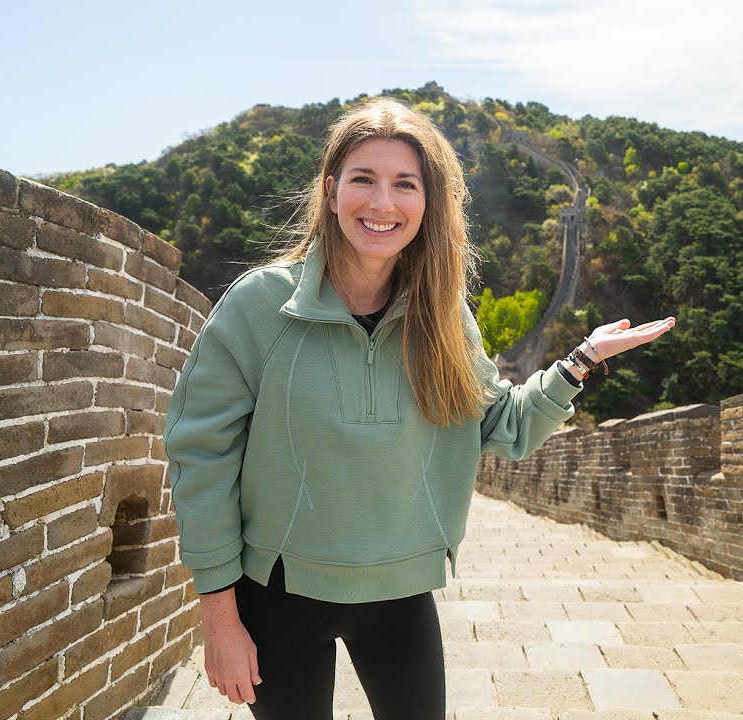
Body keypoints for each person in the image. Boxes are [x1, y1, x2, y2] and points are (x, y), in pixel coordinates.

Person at [163, 98, 675, 720]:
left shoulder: (443, 315)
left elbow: (502, 426)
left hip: (402, 591)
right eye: (363, 180)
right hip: (277, 594)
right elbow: (201, 456)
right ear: (330, 192)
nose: (382, 204)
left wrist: (582, 361)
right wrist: (219, 619)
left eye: (404, 185)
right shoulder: (258, 307)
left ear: (428, 204)